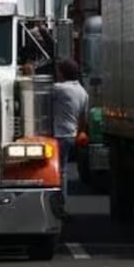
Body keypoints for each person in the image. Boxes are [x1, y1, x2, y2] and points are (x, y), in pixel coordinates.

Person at [50, 58, 90, 218]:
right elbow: (83, 119)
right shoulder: (83, 92)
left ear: (62, 73)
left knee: (56, 172)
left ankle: (57, 205)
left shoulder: (59, 89)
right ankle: (61, 205)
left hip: (58, 134)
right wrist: (80, 132)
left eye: (59, 70)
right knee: (63, 171)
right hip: (71, 134)